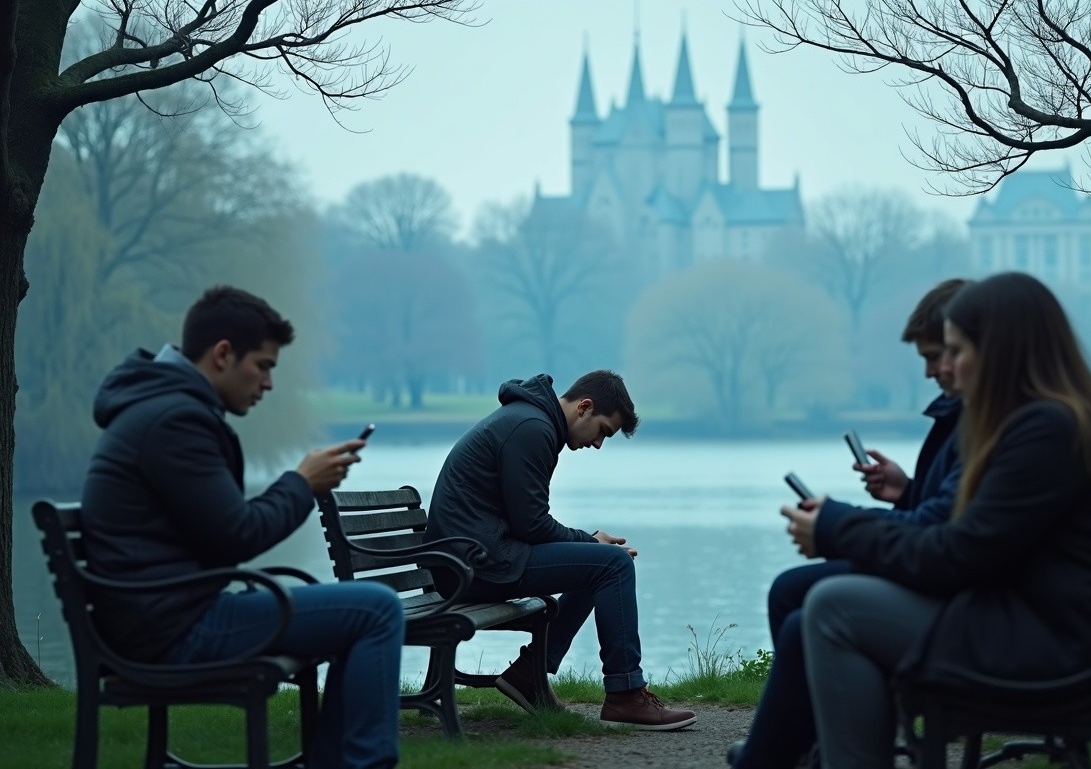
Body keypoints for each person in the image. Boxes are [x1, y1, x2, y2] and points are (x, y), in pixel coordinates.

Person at [789, 272, 1091, 769]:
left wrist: (834, 526)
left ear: (999, 350)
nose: (949, 370)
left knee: (834, 604)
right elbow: (973, 540)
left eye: (956, 351)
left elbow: (958, 555)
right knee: (833, 599)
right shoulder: (1062, 418)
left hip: (1055, 649)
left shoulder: (1045, 431)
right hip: (1055, 625)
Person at [81, 286, 404, 769]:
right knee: (376, 608)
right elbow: (238, 536)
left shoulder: (163, 409)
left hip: (163, 615)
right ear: (223, 354)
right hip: (173, 630)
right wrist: (301, 483)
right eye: (264, 365)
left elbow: (221, 538)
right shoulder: (175, 421)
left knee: (366, 609)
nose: (269, 383)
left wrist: (300, 484)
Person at [729, 278, 968, 769]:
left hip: (974, 605)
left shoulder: (1005, 423)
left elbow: (948, 534)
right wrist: (906, 492)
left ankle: (792, 748)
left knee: (812, 605)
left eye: (943, 353)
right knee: (794, 592)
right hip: (971, 589)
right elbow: (953, 511)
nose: (931, 371)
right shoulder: (980, 416)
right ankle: (810, 738)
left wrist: (836, 524)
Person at [424, 370, 697, 731]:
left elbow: (528, 521)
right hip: (478, 566)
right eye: (603, 431)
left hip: (475, 559)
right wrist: (589, 541)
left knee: (601, 563)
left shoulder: (531, 421)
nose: (599, 444)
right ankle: (626, 694)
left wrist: (588, 543)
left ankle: (529, 673)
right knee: (612, 565)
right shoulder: (532, 428)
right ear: (584, 407)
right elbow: (533, 525)